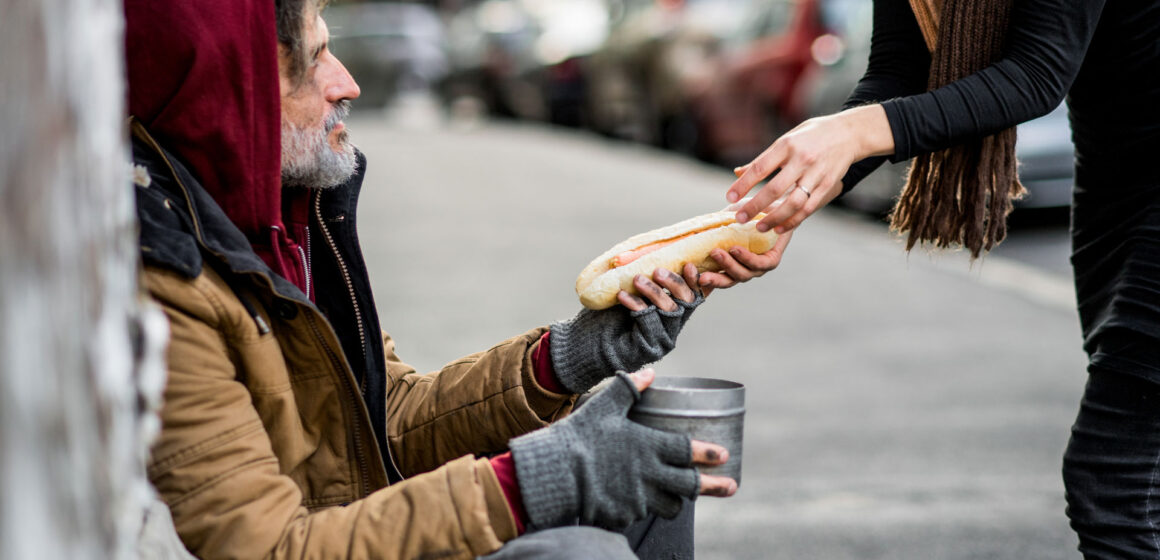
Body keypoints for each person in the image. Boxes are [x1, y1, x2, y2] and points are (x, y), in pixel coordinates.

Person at [123, 0, 785, 557]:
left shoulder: (283, 230)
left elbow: (389, 421)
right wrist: (528, 485)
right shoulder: (168, 288)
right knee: (578, 553)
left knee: (646, 469)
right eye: (313, 62)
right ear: (232, 94)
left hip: (358, 525)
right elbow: (273, 549)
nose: (347, 84)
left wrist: (572, 355)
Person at [705, 0, 1160, 557]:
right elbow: (899, 72)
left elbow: (1037, 73)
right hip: (1114, 193)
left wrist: (854, 131)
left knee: (1115, 482)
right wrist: (780, 210)